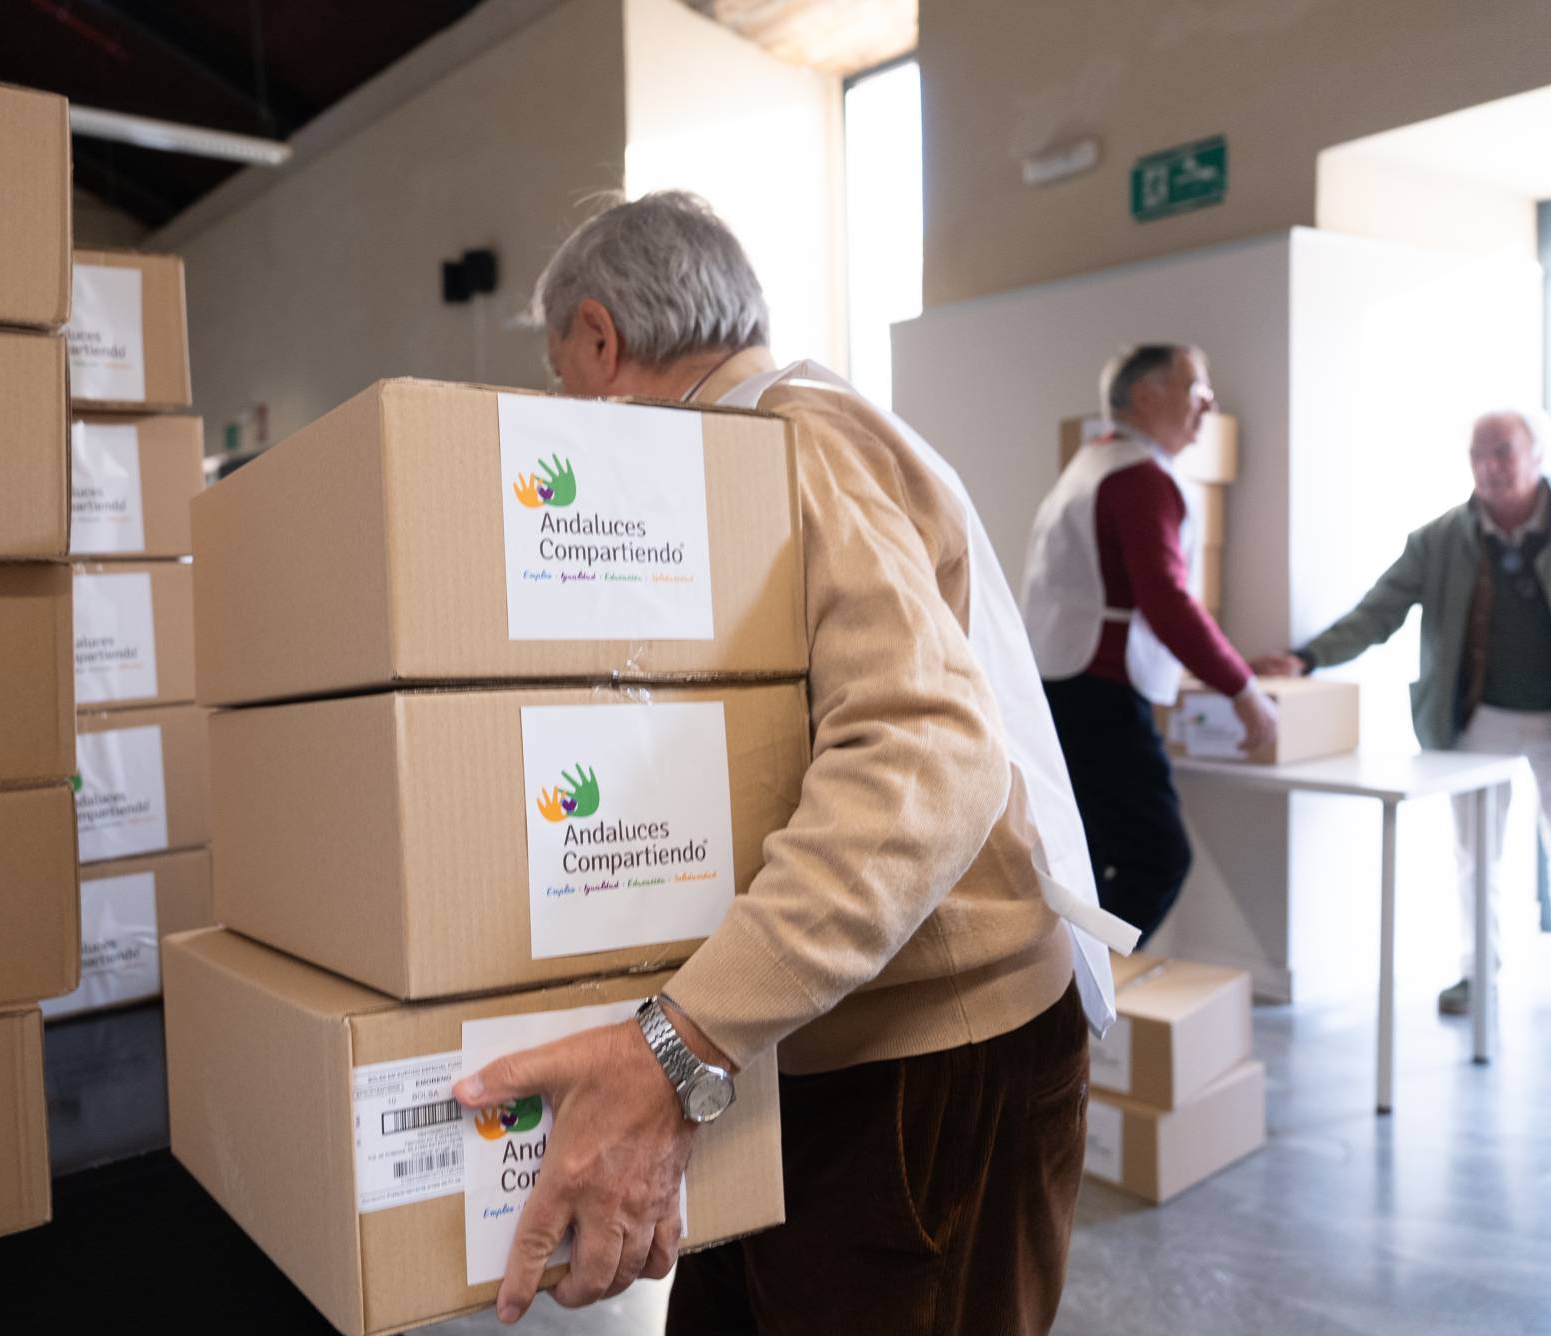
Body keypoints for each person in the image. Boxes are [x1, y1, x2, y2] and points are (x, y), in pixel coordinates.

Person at [451, 191, 1132, 1335]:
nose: (564, 399)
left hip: (926, 1063)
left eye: (559, 367)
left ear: (599, 338)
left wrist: (677, 1043)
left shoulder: (790, 437)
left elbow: (924, 753)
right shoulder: (734, 454)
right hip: (805, 1038)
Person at [1255, 408, 1551, 1015]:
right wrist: (1308, 657)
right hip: (1477, 716)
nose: (1489, 467)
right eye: (1478, 453)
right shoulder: (1441, 540)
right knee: (1474, 853)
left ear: (1536, 456)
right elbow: (1378, 613)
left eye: (1503, 452)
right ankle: (1479, 974)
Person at [1020, 344, 1278, 945]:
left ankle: (1076, 990)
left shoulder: (1093, 466)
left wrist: (1231, 662)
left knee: (1095, 853)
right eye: (1195, 386)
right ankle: (1085, 987)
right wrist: (1241, 688)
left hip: (1067, 686)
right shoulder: (1139, 479)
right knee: (1158, 856)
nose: (1209, 400)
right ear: (1145, 396)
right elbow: (1166, 601)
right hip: (1103, 693)